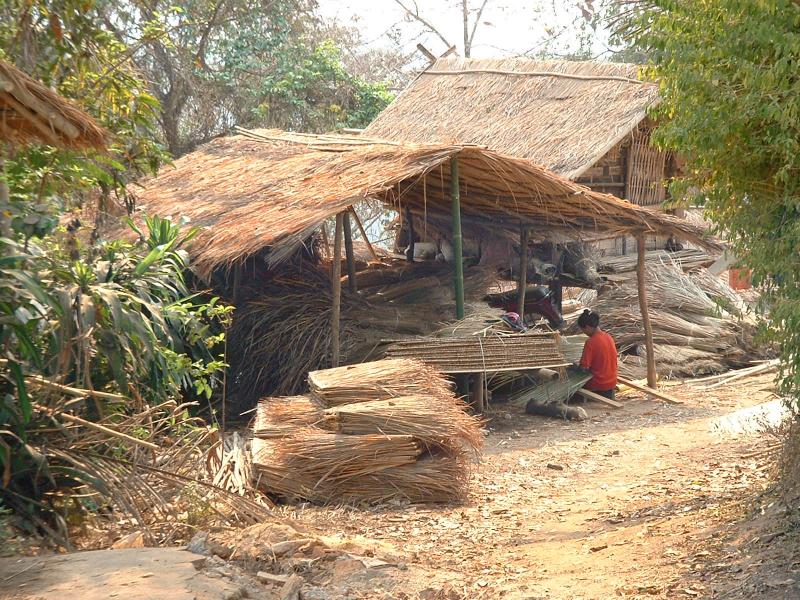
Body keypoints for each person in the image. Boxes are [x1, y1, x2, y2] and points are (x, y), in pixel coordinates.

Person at [574, 309, 618, 401]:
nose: (584, 333)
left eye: (583, 330)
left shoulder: (590, 342)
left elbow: (584, 368)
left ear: (587, 327)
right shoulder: (608, 337)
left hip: (598, 384)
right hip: (611, 383)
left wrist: (573, 367)